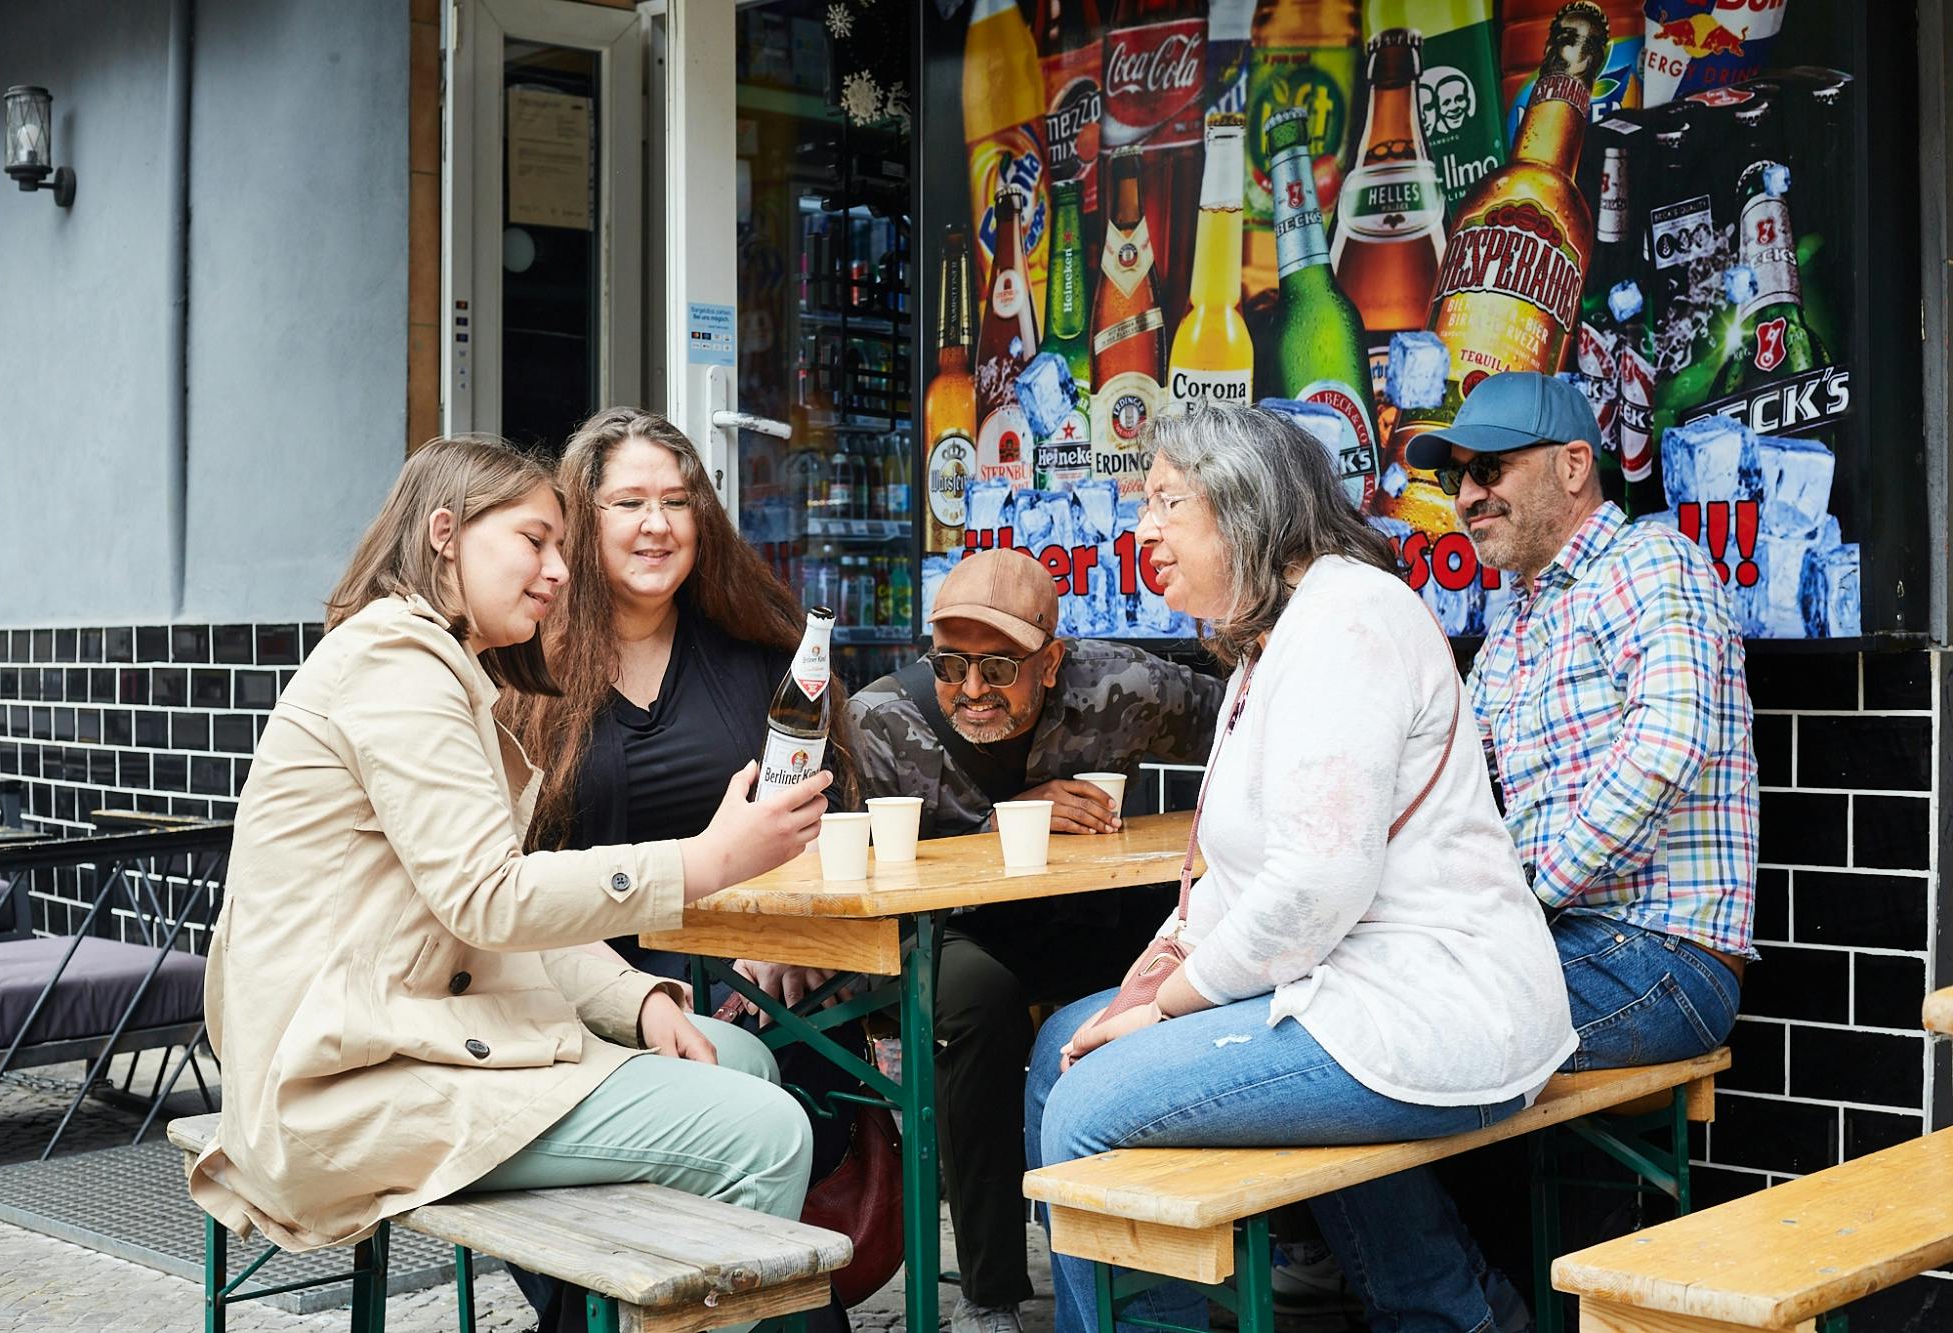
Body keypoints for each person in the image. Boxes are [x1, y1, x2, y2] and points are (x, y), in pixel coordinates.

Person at [188, 437, 831, 1333]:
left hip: (398, 1047)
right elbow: (492, 898)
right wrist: (706, 861)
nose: (561, 571)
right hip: (343, 1083)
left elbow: (486, 906)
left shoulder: (433, 668)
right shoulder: (398, 669)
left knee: (746, 1060)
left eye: (564, 547)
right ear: (447, 533)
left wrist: (641, 999)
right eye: (537, 540)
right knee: (767, 1129)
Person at [1022, 404, 1579, 1333]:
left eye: (1168, 500)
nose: (1143, 527)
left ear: (1243, 504)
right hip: (1338, 989)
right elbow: (1239, 877)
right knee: (1062, 1046)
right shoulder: (1269, 645)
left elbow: (1316, 883)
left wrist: (1164, 1008)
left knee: (1089, 1107)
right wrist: (1152, 977)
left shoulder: (1347, 619)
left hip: (1428, 1003)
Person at [1321, 371, 1757, 1321]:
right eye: (1459, 477)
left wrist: (1520, 900)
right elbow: (1454, 795)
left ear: (1572, 466)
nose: (1470, 493)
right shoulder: (1511, 617)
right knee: (1334, 1024)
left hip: (1661, 956)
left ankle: (1457, 1316)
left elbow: (1666, 745)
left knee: (1355, 1061)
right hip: (1550, 945)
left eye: (1493, 469)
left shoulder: (1652, 563)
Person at [501, 407, 867, 1329]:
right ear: (581, 520)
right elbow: (494, 879)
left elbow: (832, 818)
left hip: (752, 990)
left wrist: (794, 935)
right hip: (567, 996)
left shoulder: (760, 661)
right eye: (628, 501)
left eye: (677, 500)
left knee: (766, 1094)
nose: (656, 523)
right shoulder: (521, 670)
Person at [847, 547, 1224, 1333]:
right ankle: (989, 1296)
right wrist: (1003, 820)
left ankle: (1246, 1243)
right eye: (950, 664)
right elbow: (841, 855)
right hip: (953, 937)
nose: (972, 688)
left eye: (998, 666)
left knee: (1202, 955)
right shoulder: (882, 718)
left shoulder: (1131, 687)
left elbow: (1251, 726)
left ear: (1052, 661)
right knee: (972, 1001)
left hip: (1089, 925)